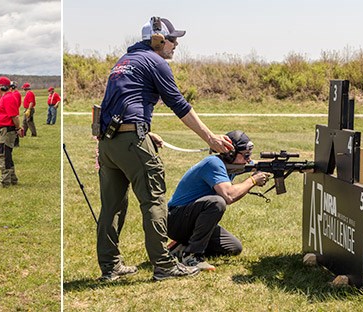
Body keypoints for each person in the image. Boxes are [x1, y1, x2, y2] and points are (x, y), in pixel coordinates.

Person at [95, 17, 235, 282]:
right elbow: (179, 104)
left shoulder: (124, 62)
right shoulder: (155, 61)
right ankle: (164, 266)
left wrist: (145, 131)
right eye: (173, 39)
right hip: (130, 140)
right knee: (154, 201)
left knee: (111, 206)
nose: (176, 44)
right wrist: (210, 139)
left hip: (109, 141)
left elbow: (119, 101)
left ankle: (110, 267)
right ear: (158, 40)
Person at [166, 130, 271, 271]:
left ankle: (181, 247)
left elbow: (256, 164)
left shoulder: (232, 163)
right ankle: (192, 256)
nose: (248, 159)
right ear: (230, 153)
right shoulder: (213, 163)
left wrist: (277, 166)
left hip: (191, 218)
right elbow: (229, 195)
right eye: (246, 155)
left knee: (233, 247)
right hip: (175, 219)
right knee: (217, 202)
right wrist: (252, 180)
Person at [0, 76, 24, 187]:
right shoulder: (6, 97)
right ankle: (12, 179)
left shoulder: (8, 98)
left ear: (3, 87)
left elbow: (14, 116)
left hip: (5, 131)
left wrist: (18, 128)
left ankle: (5, 182)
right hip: (3, 130)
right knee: (7, 155)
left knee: (3, 155)